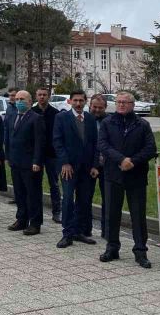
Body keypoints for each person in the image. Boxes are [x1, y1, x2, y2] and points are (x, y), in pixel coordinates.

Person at [98, 91, 156, 268]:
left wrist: (133, 161)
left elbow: (150, 147)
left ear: (132, 105)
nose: (122, 105)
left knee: (138, 215)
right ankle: (112, 247)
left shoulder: (142, 124)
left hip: (136, 175)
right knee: (112, 213)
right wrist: (120, 159)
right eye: (119, 102)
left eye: (125, 102)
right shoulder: (108, 123)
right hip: (113, 174)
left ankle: (140, 251)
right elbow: (102, 145)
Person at [52, 90, 100, 248]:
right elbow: (57, 142)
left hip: (86, 168)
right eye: (75, 101)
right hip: (68, 168)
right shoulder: (61, 118)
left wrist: (94, 165)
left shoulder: (91, 119)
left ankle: (79, 231)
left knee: (84, 200)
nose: (78, 104)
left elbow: (95, 144)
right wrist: (65, 163)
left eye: (81, 100)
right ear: (70, 102)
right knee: (67, 199)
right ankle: (67, 233)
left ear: (85, 102)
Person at [4, 90, 45, 235]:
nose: (19, 101)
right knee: (19, 193)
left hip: (30, 164)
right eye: (17, 99)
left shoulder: (36, 118)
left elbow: (40, 142)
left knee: (32, 194)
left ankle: (35, 223)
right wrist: (8, 156)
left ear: (29, 101)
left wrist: (37, 161)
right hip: (15, 161)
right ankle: (21, 219)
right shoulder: (12, 116)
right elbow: (8, 137)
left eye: (22, 99)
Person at [33, 87, 62, 224]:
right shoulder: (32, 112)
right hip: (36, 154)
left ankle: (57, 211)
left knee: (54, 184)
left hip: (52, 154)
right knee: (35, 183)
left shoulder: (55, 114)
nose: (42, 97)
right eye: (40, 95)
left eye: (44, 95)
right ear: (36, 96)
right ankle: (35, 211)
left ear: (49, 96)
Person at [88, 94, 109, 239]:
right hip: (88, 165)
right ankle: (85, 228)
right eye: (94, 107)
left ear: (105, 108)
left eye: (100, 108)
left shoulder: (110, 121)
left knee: (107, 199)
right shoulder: (84, 120)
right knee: (85, 197)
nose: (96, 110)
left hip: (107, 166)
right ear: (90, 106)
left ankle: (106, 230)